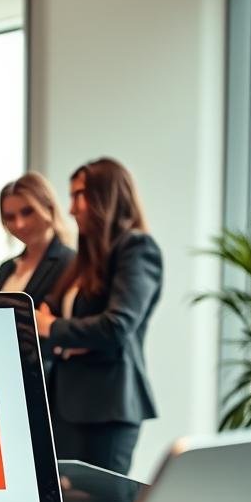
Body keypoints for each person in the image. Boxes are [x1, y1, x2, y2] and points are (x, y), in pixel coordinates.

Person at [35, 158, 163, 475]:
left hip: (108, 406)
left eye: (79, 195)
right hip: (66, 405)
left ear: (107, 196)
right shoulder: (83, 261)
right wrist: (62, 335)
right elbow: (47, 325)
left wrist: (54, 327)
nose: (71, 209)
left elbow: (116, 326)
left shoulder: (137, 248)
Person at [0, 172, 76, 306]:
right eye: (10, 217)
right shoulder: (6, 268)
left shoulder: (70, 262)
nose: (19, 224)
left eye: (27, 212)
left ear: (49, 209)